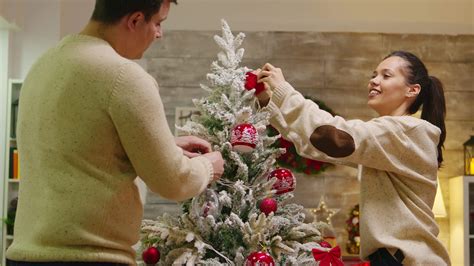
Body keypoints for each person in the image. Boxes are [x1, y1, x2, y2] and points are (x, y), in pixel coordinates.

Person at [6, 0, 224, 265]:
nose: (159, 34)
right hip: (89, 257)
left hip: (25, 255)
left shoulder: (44, 65)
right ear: (134, 20)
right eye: (158, 23)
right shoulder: (124, 77)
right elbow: (173, 180)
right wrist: (208, 166)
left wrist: (164, 146)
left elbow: (76, 146)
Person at [255, 51, 450, 265]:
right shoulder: (388, 139)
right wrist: (268, 100)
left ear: (412, 90)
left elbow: (336, 137)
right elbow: (320, 145)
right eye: (374, 75)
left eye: (386, 76)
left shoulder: (410, 130)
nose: (374, 81)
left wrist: (284, 90)